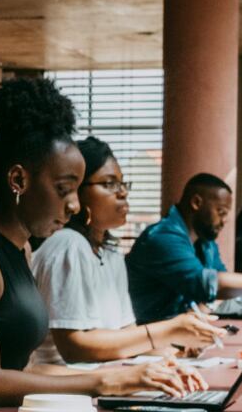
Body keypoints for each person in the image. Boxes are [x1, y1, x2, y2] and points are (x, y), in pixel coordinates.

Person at [0, 77, 190, 412]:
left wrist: (130, 376)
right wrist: (103, 383)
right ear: (18, 180)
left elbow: (27, 370)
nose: (75, 206)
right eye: (64, 189)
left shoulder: (23, 250)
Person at [31, 137, 222, 369]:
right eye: (109, 184)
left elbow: (126, 333)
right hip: (63, 389)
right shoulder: (67, 245)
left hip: (105, 377)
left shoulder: (110, 252)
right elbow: (74, 347)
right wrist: (169, 329)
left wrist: (176, 350)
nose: (122, 193)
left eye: (123, 184)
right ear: (78, 192)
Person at [127, 173, 242, 323]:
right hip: (147, 337)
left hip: (174, 334)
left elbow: (223, 286)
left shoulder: (205, 241)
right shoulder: (164, 236)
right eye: (221, 212)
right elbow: (209, 285)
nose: (224, 221)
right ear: (196, 202)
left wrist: (197, 318)